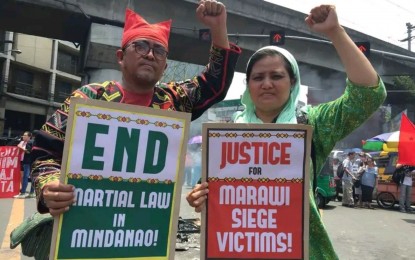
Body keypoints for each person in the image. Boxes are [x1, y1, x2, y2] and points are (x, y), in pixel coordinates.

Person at [186, 4, 386, 259]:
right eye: (258, 77)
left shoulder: (311, 123)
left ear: (292, 83)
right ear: (248, 85)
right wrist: (199, 196)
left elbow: (368, 95)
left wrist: (336, 32)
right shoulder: (228, 133)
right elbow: (211, 190)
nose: (267, 84)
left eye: (276, 76)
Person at [31, 0, 241, 216]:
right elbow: (45, 152)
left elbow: (214, 84)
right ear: (121, 57)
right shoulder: (89, 98)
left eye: (159, 50)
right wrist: (50, 185)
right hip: (87, 227)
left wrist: (217, 27)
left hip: (148, 229)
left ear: (165, 66)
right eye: (141, 46)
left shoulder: (174, 100)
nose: (150, 54)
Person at [14, 131, 35, 199]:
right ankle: (31, 192)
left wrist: (21, 147)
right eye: (23, 135)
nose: (23, 136)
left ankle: (23, 193)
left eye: (25, 135)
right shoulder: (25, 142)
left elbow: (28, 151)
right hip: (27, 161)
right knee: (30, 176)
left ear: (29, 137)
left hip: (27, 161)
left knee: (26, 177)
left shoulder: (29, 142)